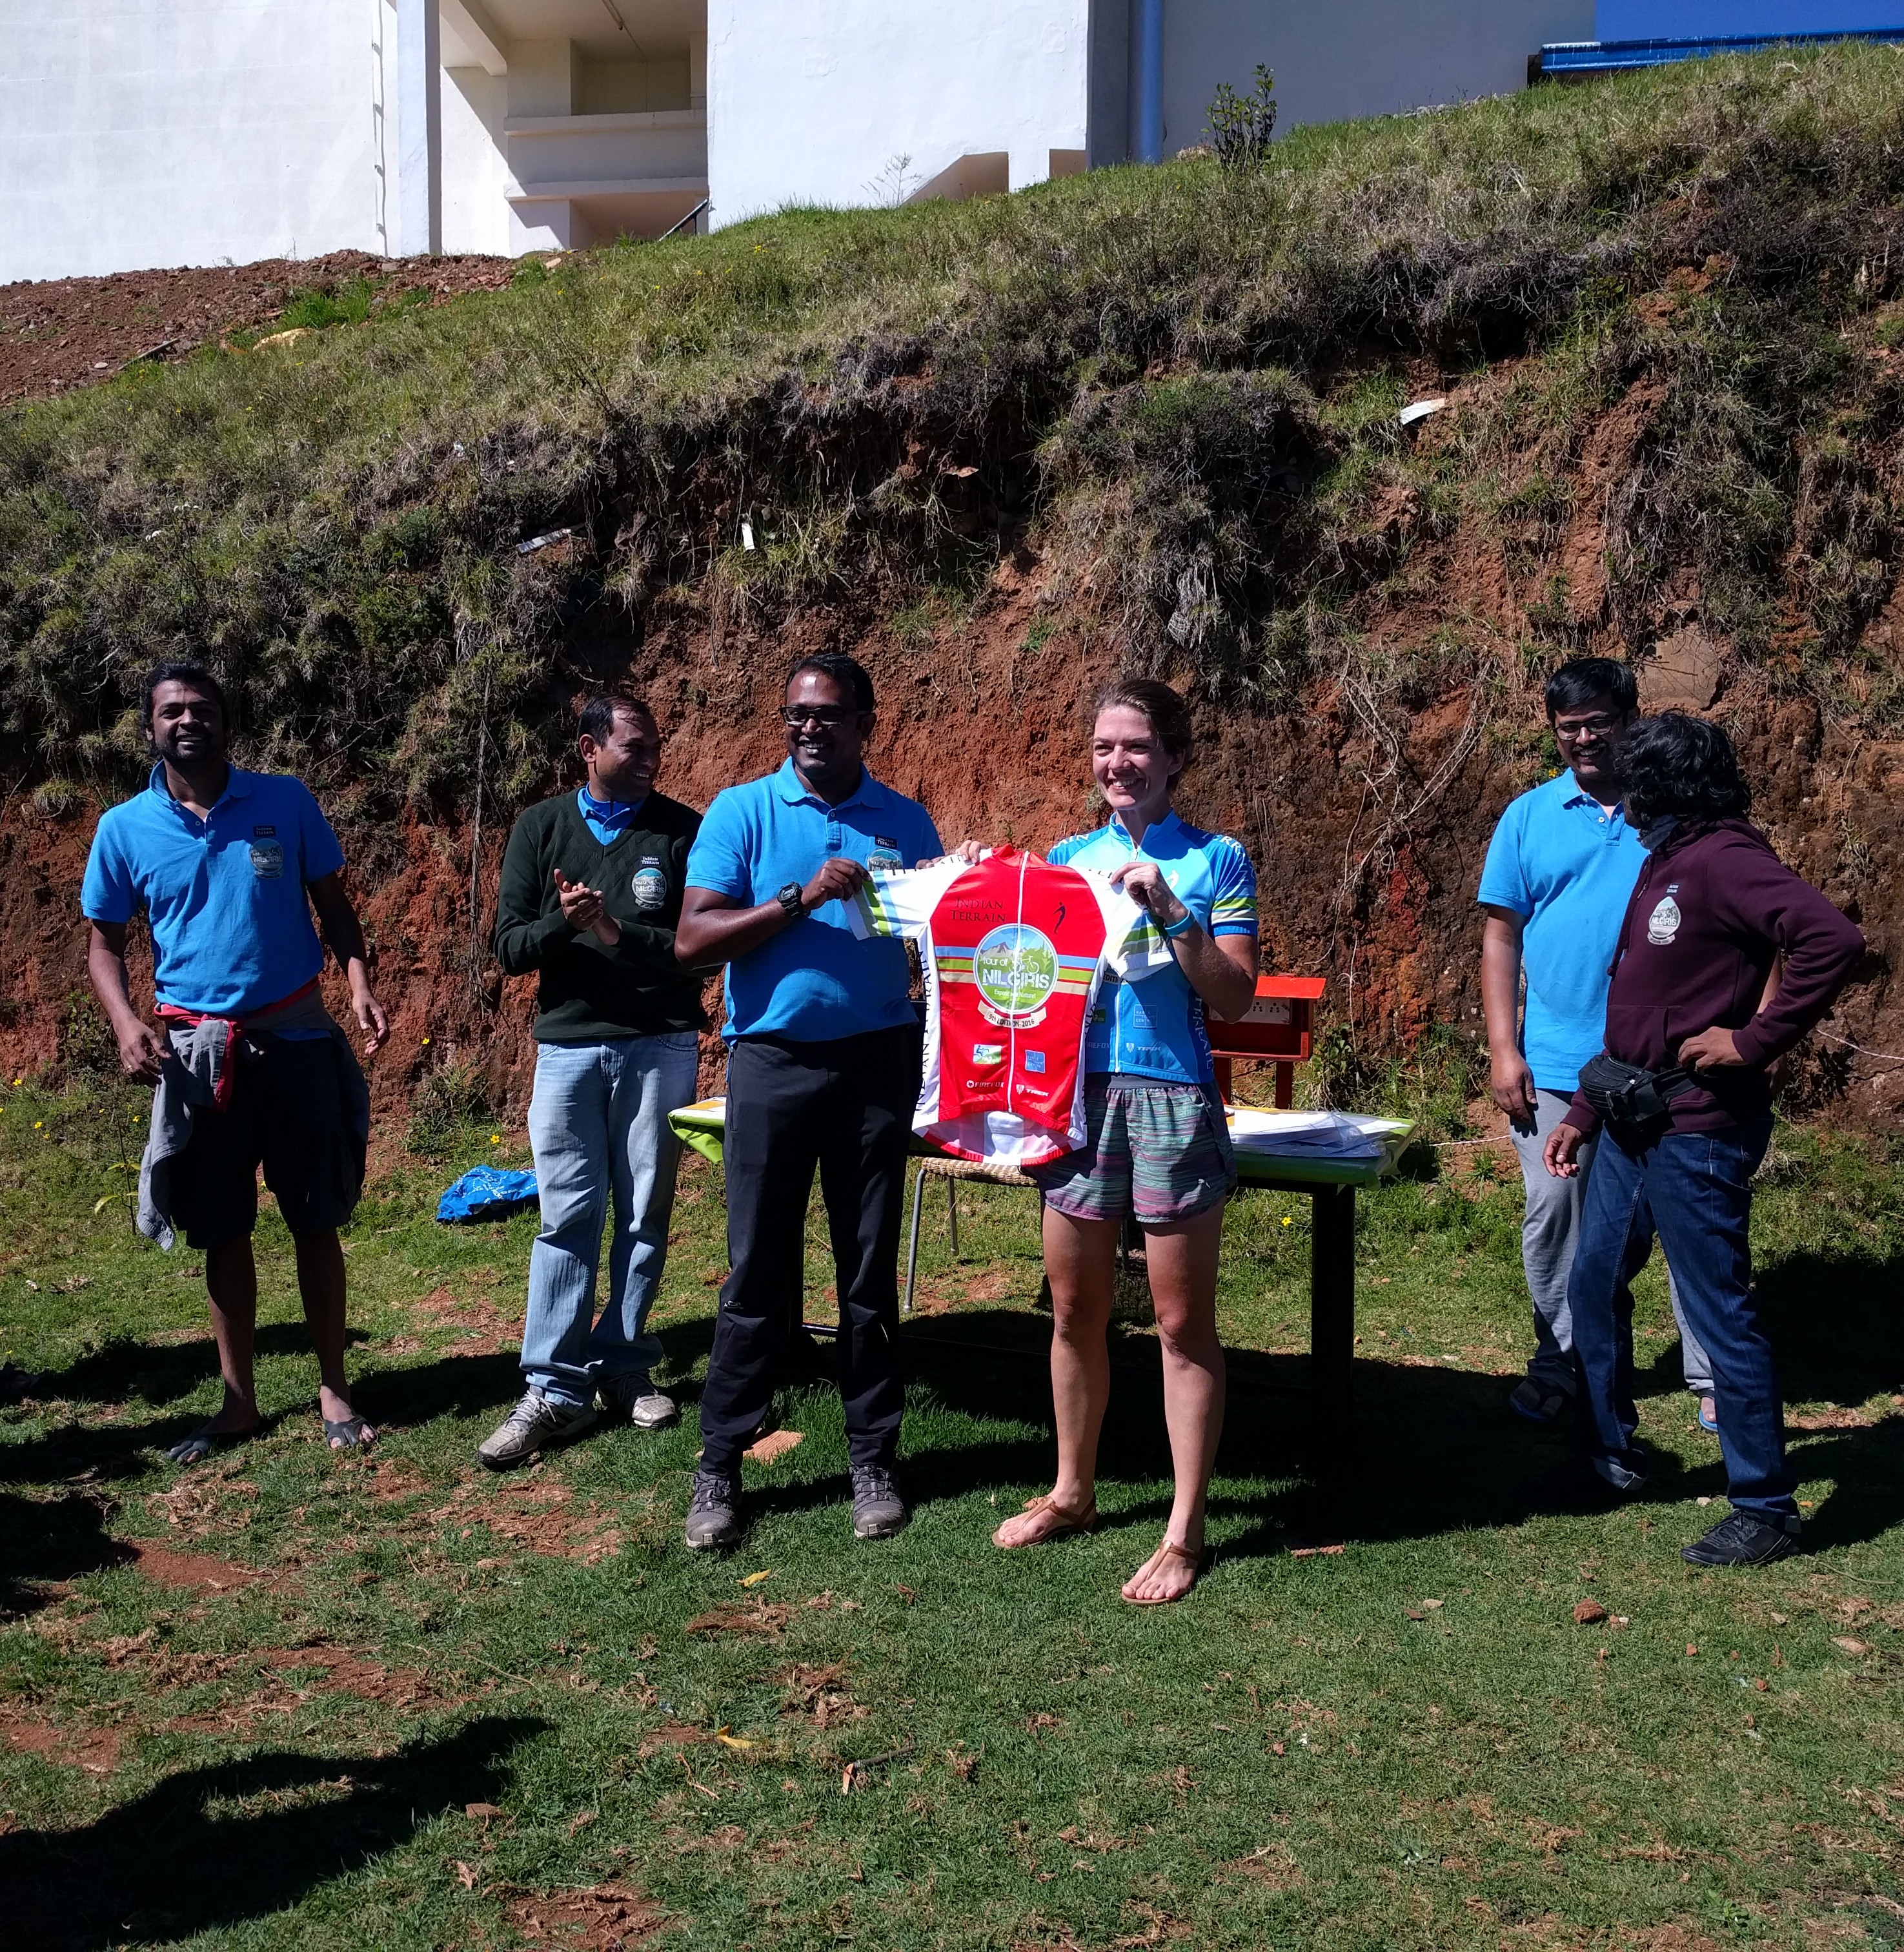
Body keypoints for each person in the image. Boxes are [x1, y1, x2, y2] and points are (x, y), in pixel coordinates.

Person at [1544, 713, 1864, 1566]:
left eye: (1628, 772)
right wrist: (1581, 1109)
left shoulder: (1724, 858)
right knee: (1591, 1285)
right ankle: (1609, 1456)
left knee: (1719, 1312)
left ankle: (1763, 1505)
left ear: (1664, 782)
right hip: (1627, 1119)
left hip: (1698, 1128)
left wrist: (1751, 1041)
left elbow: (1832, 939)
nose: (1614, 784)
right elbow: (1638, 1004)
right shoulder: (1662, 858)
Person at [991, 679, 1259, 1605]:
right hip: (1078, 1100)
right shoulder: (1067, 858)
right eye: (1104, 747)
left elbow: (1231, 998)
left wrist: (1168, 909)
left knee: (1181, 1325)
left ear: (1175, 757)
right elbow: (1025, 977)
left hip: (1172, 1101)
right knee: (1073, 1313)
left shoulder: (1217, 859)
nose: (1117, 763)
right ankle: (1072, 1493)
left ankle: (1182, 1533)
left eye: (1136, 747)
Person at [82, 662, 388, 1463]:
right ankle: (238, 1402)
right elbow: (103, 947)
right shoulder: (124, 829)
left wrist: (356, 987)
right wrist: (123, 1024)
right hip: (197, 1056)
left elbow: (336, 911)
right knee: (222, 1230)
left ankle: (334, 1388)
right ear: (149, 728)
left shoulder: (284, 800)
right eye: (171, 711)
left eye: (203, 709)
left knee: (316, 1220)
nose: (188, 721)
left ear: (227, 721)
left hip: (295, 1042)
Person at [673, 653, 942, 1550]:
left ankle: (872, 1458)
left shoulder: (903, 821)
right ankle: (719, 1464)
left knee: (867, 1277)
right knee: (756, 1271)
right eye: (795, 714)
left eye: (827, 714)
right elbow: (694, 939)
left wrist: (965, 882)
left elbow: (943, 938)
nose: (808, 728)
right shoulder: (741, 811)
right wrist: (799, 896)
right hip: (772, 1064)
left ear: (867, 719)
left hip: (875, 1065)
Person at [1479, 658, 1717, 1431]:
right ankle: (1562, 1361)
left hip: (1665, 1063)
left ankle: (1712, 1373)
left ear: (1630, 719)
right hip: (1554, 1064)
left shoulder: (1671, 812)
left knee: (1686, 1217)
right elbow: (1500, 936)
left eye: (1597, 724)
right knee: (1554, 1214)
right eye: (1567, 728)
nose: (1583, 739)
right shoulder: (1528, 816)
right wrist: (1502, 1047)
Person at [481, 691, 705, 1469]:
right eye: (634, 748)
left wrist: (614, 930)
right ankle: (552, 1387)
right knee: (567, 1215)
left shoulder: (682, 830)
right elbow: (508, 947)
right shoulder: (540, 828)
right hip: (570, 1050)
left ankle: (624, 1363)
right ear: (588, 749)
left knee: (645, 1211)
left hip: (662, 1044)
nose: (650, 760)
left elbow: (700, 948)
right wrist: (562, 926)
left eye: (654, 748)